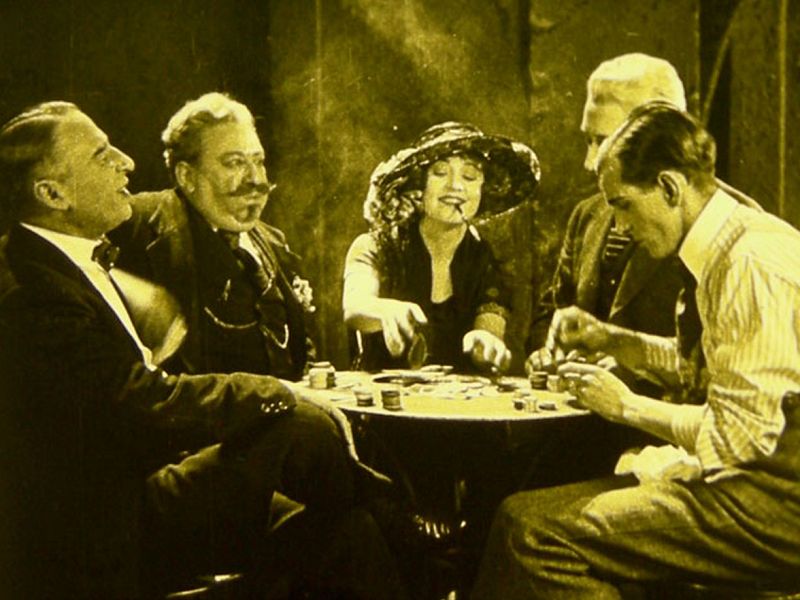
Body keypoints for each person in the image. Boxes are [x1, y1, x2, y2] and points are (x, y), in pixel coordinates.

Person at [0, 101, 404, 599]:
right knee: (296, 424)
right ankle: (411, 525)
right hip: (105, 525)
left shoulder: (65, 261)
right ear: (52, 193)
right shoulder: (29, 286)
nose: (127, 162)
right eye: (102, 155)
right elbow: (135, 400)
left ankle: (398, 530)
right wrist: (273, 391)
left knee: (351, 533)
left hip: (150, 482)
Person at [471, 102, 800, 599]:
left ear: (669, 187)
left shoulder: (748, 265)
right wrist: (614, 341)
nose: (620, 227)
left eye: (623, 205)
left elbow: (738, 439)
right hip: (765, 479)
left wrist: (626, 406)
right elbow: (710, 371)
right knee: (529, 510)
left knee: (531, 531)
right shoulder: (732, 243)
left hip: (779, 502)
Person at [111, 92, 314, 380]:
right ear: (187, 176)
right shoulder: (136, 223)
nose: (256, 179)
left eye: (258, 161)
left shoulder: (273, 241)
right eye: (234, 163)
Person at [526, 53, 687, 396]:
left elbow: (713, 361)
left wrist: (631, 367)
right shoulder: (587, 215)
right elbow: (553, 310)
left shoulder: (707, 230)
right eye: (588, 140)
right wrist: (546, 352)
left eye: (603, 141)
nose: (589, 162)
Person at [343, 121, 539, 373]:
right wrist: (385, 311)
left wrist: (485, 344)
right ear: (419, 185)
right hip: (381, 395)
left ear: (483, 189)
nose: (455, 186)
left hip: (458, 398)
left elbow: (489, 330)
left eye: (469, 176)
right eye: (440, 172)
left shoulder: (484, 260)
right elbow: (354, 306)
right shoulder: (376, 246)